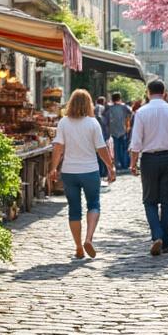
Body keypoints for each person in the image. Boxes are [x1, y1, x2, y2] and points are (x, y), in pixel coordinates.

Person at [49, 89, 116, 259]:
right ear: (89, 104)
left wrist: (53, 168)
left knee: (74, 210)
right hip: (90, 171)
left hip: (70, 172)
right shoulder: (93, 123)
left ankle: (78, 247)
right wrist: (110, 167)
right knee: (93, 204)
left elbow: (58, 147)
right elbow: (101, 148)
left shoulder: (64, 122)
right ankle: (89, 238)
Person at [130, 80, 168, 256]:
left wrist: (133, 163)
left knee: (149, 201)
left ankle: (157, 235)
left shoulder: (141, 112)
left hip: (149, 159)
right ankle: (165, 242)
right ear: (164, 93)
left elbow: (136, 142)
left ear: (148, 92)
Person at [101, 93, 132, 170]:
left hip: (113, 130)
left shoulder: (109, 107)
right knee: (124, 148)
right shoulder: (124, 107)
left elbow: (104, 116)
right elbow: (131, 112)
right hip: (123, 129)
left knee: (115, 149)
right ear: (119, 98)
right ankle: (125, 164)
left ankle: (117, 164)